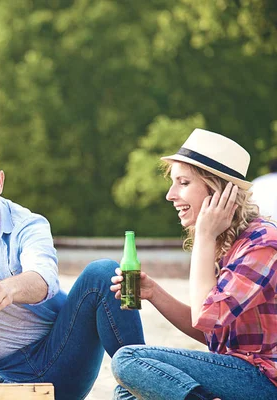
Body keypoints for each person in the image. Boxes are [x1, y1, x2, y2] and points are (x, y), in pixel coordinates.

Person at [0, 133, 145, 400]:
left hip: (54, 358)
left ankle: (141, 386)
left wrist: (8, 289)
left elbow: (44, 278)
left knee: (103, 272)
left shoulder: (29, 224)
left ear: (0, 182)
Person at [110, 128, 277, 400]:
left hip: (263, 382)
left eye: (183, 183)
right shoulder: (229, 244)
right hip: (238, 373)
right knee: (127, 390)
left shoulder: (263, 245)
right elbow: (209, 331)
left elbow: (205, 316)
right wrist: (154, 293)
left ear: (217, 190)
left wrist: (204, 235)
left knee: (128, 359)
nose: (170, 195)